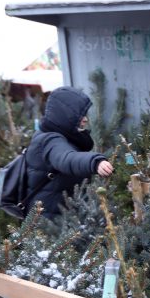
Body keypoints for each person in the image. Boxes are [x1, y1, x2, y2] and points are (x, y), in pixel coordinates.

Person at [25, 86, 114, 219]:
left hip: (61, 216)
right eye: (80, 115)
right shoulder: (50, 140)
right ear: (64, 115)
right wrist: (95, 162)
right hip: (50, 223)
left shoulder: (56, 135)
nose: (85, 120)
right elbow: (67, 158)